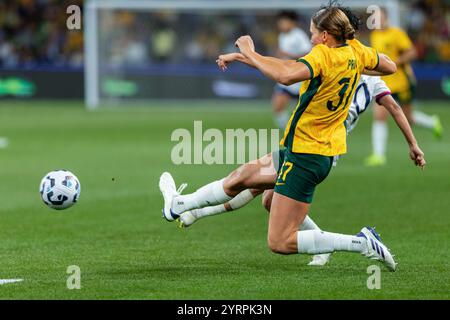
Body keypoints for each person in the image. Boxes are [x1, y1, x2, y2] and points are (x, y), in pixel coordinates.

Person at [160, 5, 405, 271]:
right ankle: (180, 205)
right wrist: (244, 59)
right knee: (241, 179)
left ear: (325, 36)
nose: (310, 38)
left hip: (308, 154)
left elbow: (285, 75)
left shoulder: (323, 55)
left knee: (280, 241)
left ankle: (361, 243)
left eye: (312, 34)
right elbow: (390, 66)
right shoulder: (357, 52)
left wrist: (249, 51)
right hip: (304, 148)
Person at [366, 8, 443, 167]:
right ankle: (378, 155)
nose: (377, 21)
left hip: (402, 83)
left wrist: (394, 63)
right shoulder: (375, 36)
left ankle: (431, 122)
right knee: (379, 116)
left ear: (386, 18)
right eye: (374, 18)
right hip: (384, 83)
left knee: (408, 118)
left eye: (380, 17)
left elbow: (412, 53)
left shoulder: (397, 34)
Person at [272, 11, 311, 129]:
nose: (281, 24)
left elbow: (308, 54)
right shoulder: (282, 36)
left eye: (284, 21)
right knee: (277, 105)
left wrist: (287, 55)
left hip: (299, 79)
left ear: (292, 22)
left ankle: (301, 131)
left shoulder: (299, 35)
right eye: (280, 22)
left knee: (304, 112)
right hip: (286, 76)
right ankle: (287, 130)